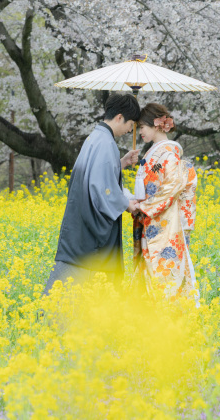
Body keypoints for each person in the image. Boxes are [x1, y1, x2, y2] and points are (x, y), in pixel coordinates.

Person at [43, 93, 141, 294]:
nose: (130, 129)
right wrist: (126, 204)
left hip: (78, 217)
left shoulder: (95, 137)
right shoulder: (106, 143)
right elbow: (101, 187)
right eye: (131, 123)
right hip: (91, 224)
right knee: (87, 278)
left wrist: (122, 162)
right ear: (120, 117)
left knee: (70, 273)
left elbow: (94, 173)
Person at [131, 103, 197, 300]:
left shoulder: (169, 152)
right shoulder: (154, 151)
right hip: (152, 219)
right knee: (150, 270)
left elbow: (172, 185)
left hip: (163, 221)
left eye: (142, 126)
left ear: (157, 125)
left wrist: (144, 206)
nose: (139, 131)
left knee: (163, 273)